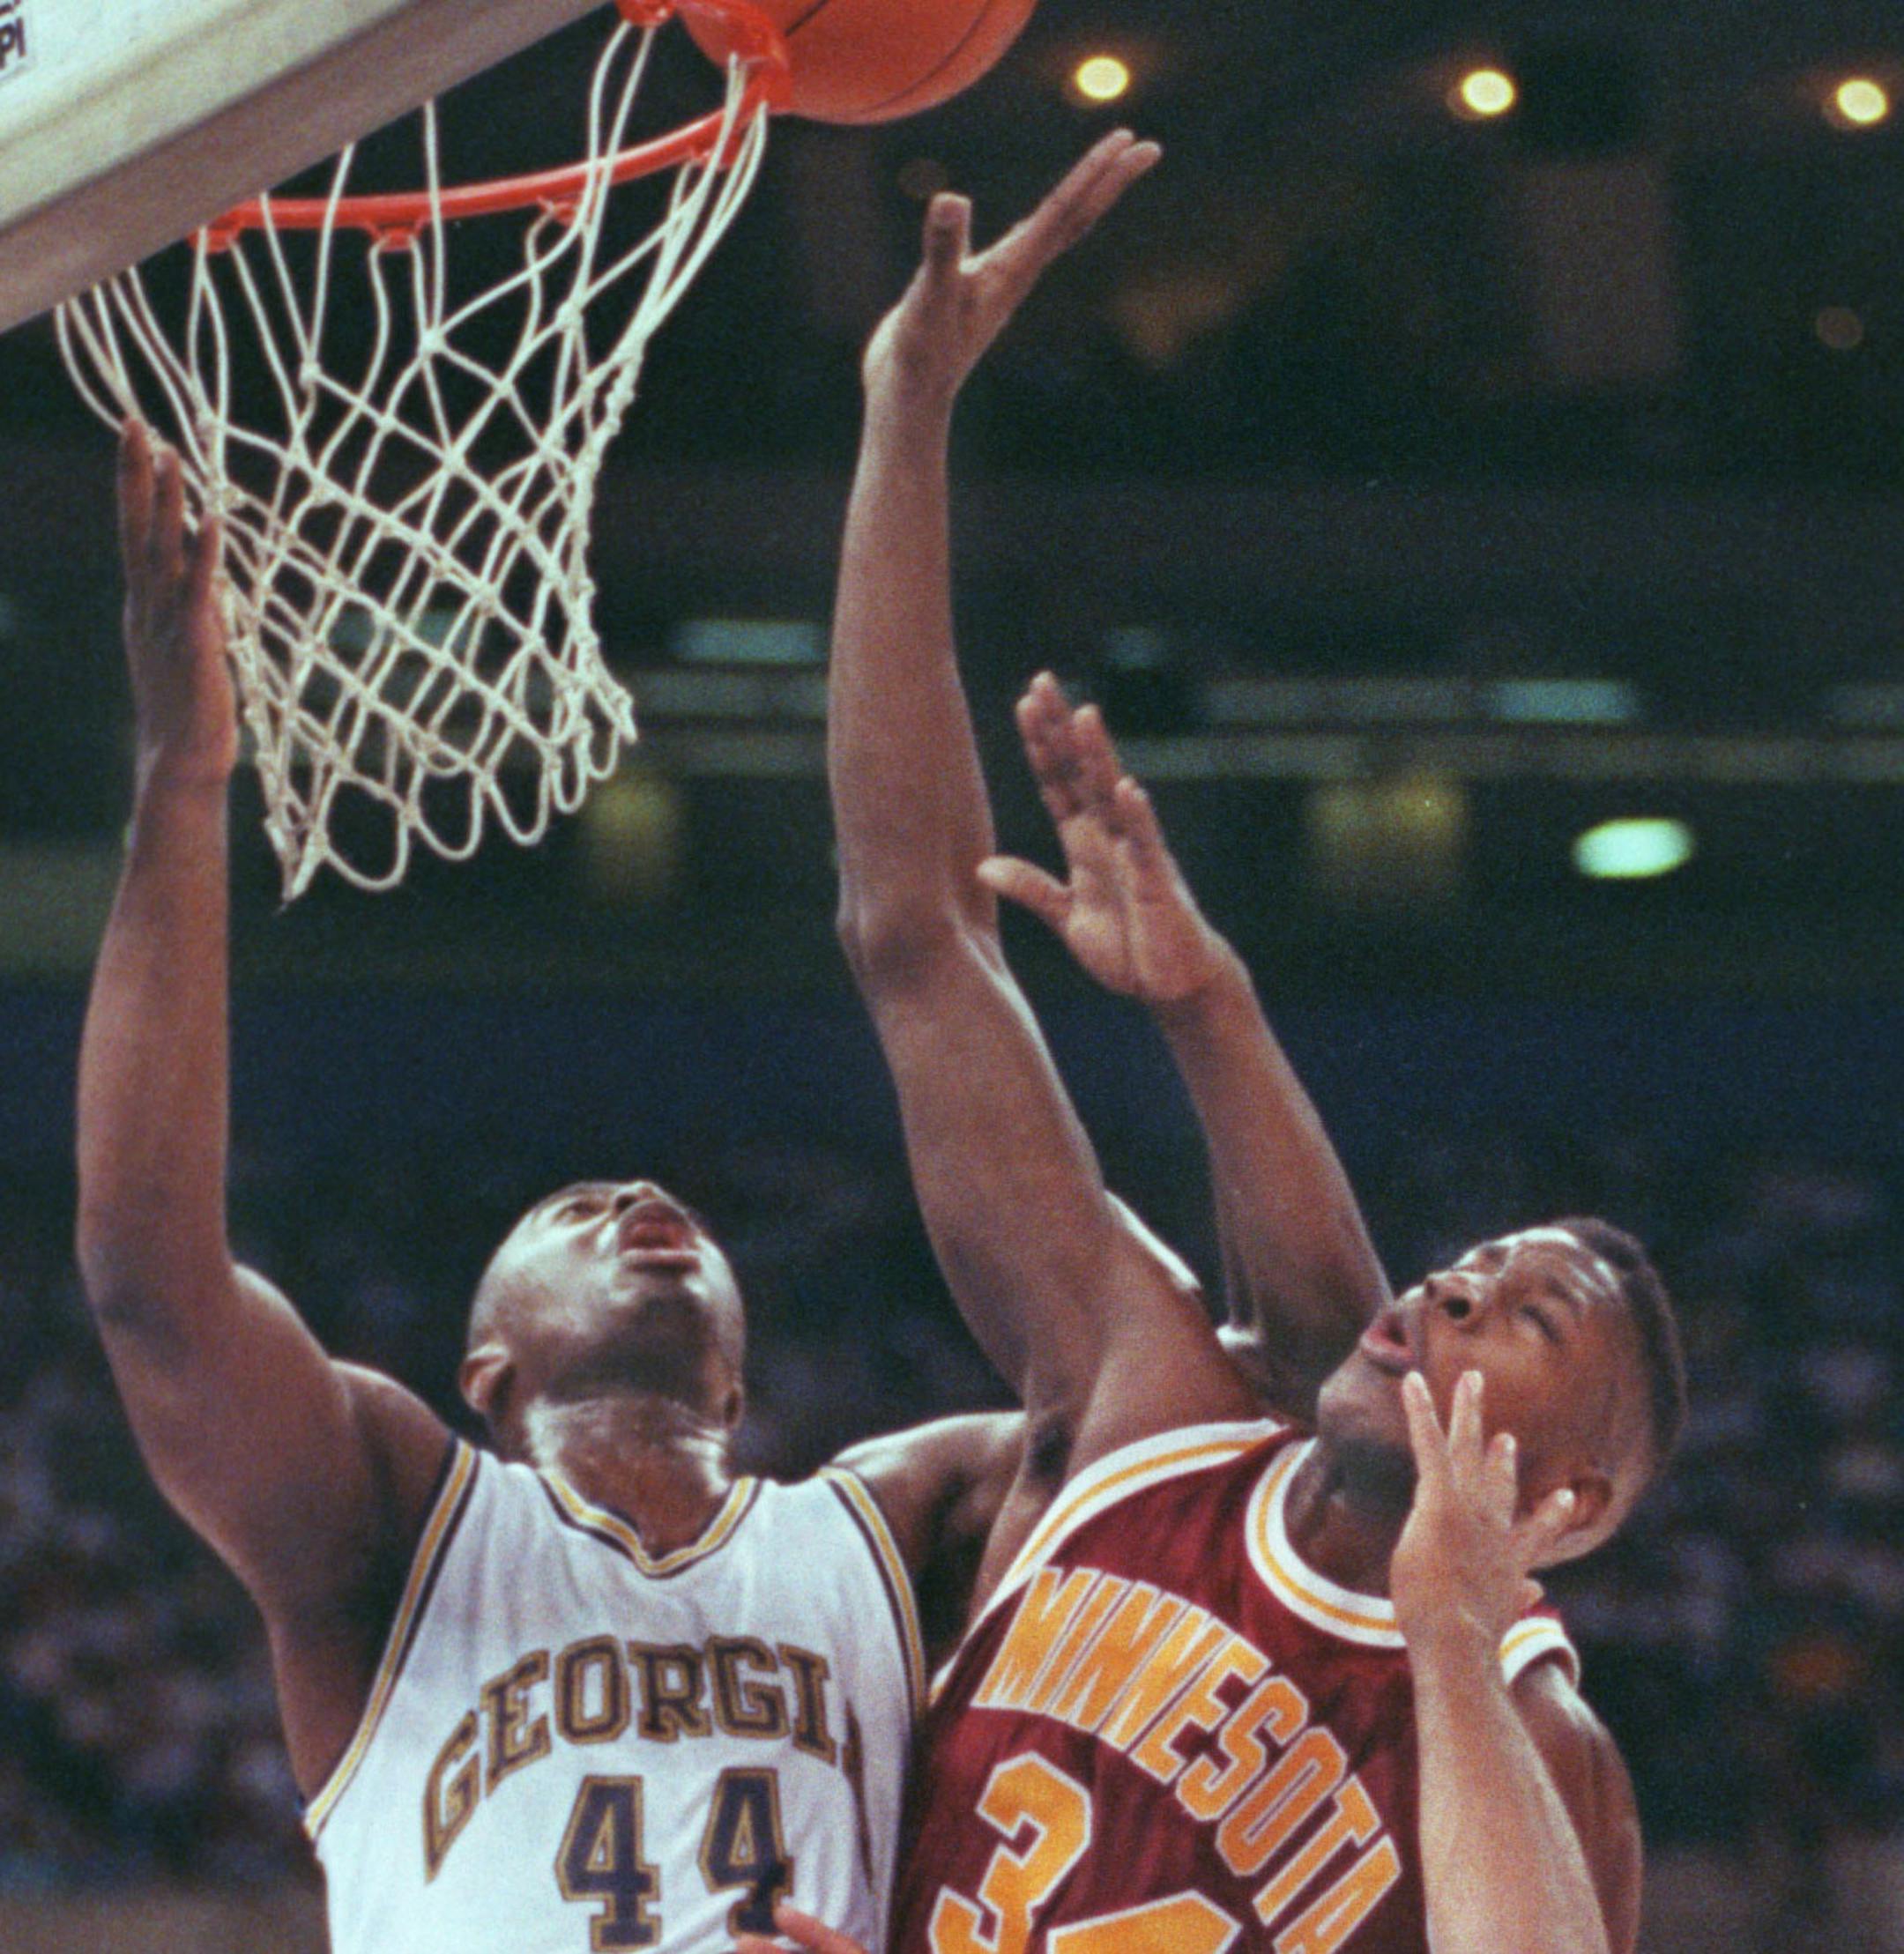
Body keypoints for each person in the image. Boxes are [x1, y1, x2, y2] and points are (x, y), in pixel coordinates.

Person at [78, 393, 1344, 1948]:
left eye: (650, 1207)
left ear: (741, 1385)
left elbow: (1293, 1387)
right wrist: (181, 785)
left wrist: (910, 413)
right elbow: (150, 1284)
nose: (634, 1203)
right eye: (567, 1215)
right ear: (485, 1365)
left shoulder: (892, 1530)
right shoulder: (398, 1523)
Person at [760, 130, 1688, 1954]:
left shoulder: (1540, 1752)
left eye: (1525, 1315)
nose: (1451, 1290)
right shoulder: (1158, 1415)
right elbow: (922, 941)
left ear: (1570, 1500)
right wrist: (908, 413)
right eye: (1469, 1265)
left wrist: (1452, 1621)